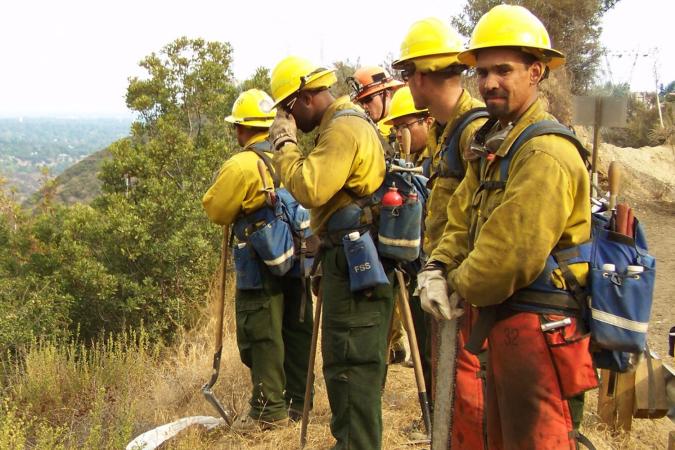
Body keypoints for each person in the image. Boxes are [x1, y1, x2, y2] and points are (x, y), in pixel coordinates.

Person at [421, 5, 598, 449]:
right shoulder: (495, 141)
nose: (489, 83)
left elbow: (508, 256)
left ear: (536, 71)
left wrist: (456, 283)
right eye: (482, 72)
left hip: (541, 328)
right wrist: (437, 265)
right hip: (508, 325)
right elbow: (462, 212)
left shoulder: (544, 153)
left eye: (503, 70)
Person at [268, 55, 394, 450]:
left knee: (350, 367)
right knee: (344, 366)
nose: (289, 121)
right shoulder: (347, 123)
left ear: (303, 99)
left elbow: (310, 187)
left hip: (354, 261)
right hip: (347, 255)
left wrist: (284, 143)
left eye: (288, 111)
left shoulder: (341, 129)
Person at [392, 17, 488, 449]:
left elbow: (478, 216)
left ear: (422, 74)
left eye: (408, 72)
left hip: (464, 288)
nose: (406, 82)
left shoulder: (473, 130)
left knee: (467, 396)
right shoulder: (449, 130)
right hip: (445, 276)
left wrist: (456, 276)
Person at [202, 88, 313, 432]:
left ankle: (268, 410)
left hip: (259, 266)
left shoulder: (242, 164)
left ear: (241, 129)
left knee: (262, 334)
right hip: (300, 259)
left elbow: (215, 208)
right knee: (297, 329)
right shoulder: (292, 156)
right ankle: (299, 403)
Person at [349, 66, 407, 364]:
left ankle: (392, 347)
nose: (365, 108)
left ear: (386, 94)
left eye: (368, 101)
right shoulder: (370, 130)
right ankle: (391, 348)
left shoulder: (394, 129)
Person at [381, 85, 433, 387]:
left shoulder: (437, 160)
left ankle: (438, 420)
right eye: (397, 128)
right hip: (416, 264)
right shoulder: (411, 163)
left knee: (431, 345)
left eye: (405, 126)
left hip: (433, 263)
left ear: (426, 121)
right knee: (425, 345)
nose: (400, 134)